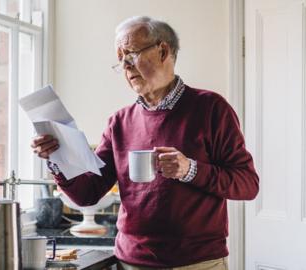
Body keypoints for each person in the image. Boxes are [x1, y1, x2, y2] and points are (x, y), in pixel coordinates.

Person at [31, 16, 259, 270]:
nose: (125, 66)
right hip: (130, 263)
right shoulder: (119, 122)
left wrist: (190, 170)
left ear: (163, 51)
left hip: (197, 263)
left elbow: (248, 184)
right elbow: (88, 194)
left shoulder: (212, 109)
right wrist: (58, 158)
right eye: (120, 59)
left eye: (131, 53)